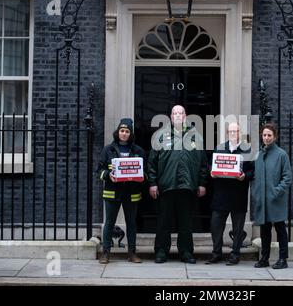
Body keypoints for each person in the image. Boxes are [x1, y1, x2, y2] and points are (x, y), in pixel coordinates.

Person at [148, 105, 208, 264]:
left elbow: (203, 163)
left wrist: (202, 183)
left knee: (186, 223)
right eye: (175, 113)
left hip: (188, 187)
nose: (177, 116)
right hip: (166, 186)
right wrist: (152, 183)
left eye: (180, 113)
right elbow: (152, 163)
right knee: (163, 222)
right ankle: (161, 251)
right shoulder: (160, 136)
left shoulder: (196, 136)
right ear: (170, 116)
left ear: (185, 116)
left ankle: (186, 252)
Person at [97, 118, 146, 264]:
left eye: (127, 131)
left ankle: (132, 253)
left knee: (131, 223)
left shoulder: (139, 151)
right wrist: (107, 175)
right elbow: (99, 170)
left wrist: (142, 177)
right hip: (112, 192)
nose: (124, 133)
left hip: (131, 192)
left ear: (131, 134)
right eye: (122, 131)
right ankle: (105, 252)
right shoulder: (108, 150)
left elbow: (146, 171)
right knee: (109, 223)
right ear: (118, 132)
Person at [206, 122, 254, 265]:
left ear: (240, 133)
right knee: (215, 225)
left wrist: (245, 176)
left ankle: (235, 254)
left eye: (236, 131)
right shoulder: (219, 148)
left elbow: (253, 170)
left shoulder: (248, 150)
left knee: (238, 228)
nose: (233, 133)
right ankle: (216, 253)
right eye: (231, 131)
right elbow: (210, 164)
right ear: (227, 133)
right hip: (221, 194)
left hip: (238, 194)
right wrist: (211, 172)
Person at [250, 123, 292, 269]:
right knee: (265, 230)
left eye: (269, 135)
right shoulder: (260, 154)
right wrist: (256, 193)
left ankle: (283, 259)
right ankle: (264, 258)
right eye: (264, 135)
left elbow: (287, 178)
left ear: (274, 137)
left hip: (276, 199)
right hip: (262, 198)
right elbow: (255, 176)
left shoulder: (281, 154)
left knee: (280, 229)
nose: (266, 138)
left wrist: (276, 191)